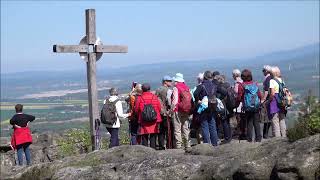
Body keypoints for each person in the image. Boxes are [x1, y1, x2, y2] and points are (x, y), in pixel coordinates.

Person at [193, 71, 219, 146]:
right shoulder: (214, 85)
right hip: (212, 106)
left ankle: (207, 144)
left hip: (204, 107)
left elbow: (195, 94)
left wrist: (198, 100)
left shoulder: (201, 86)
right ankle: (215, 143)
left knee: (205, 126)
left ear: (204, 77)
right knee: (212, 125)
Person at [237, 69, 262, 142]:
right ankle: (258, 138)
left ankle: (249, 139)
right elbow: (259, 95)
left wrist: (238, 103)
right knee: (256, 122)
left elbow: (239, 97)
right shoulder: (255, 84)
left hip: (247, 107)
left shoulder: (241, 85)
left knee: (249, 122)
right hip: (256, 106)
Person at [134, 83, 162, 149]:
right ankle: (153, 149)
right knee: (153, 136)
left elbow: (136, 110)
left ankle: (146, 151)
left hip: (143, 120)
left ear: (142, 90)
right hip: (154, 119)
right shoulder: (154, 97)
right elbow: (159, 108)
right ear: (149, 89)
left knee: (144, 136)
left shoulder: (140, 98)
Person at [171, 73, 192, 149]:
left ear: (176, 80)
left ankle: (179, 146)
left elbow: (175, 101)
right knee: (185, 127)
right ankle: (188, 144)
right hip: (186, 110)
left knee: (177, 129)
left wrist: (171, 110)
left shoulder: (176, 88)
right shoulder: (186, 87)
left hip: (178, 110)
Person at [155, 75, 174, 149]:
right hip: (167, 113)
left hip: (159, 113)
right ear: (165, 82)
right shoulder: (168, 90)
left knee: (161, 131)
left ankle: (161, 146)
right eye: (169, 81)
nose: (171, 82)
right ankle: (169, 146)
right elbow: (169, 102)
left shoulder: (157, 90)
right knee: (169, 131)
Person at [269, 66, 287, 137]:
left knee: (275, 120)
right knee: (282, 119)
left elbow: (272, 93)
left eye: (270, 73)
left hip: (274, 101)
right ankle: (284, 135)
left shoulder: (272, 81)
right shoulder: (281, 80)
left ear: (273, 73)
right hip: (282, 101)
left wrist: (269, 101)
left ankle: (277, 138)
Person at [215, 74, 232, 143]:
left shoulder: (220, 87)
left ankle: (227, 138)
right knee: (227, 122)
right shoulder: (228, 85)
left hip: (223, 107)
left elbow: (220, 96)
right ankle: (229, 137)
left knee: (224, 122)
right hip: (229, 106)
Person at [190, 73, 204, 145]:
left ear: (198, 79)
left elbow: (194, 96)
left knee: (198, 126)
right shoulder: (207, 86)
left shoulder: (197, 88)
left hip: (198, 109)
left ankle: (200, 142)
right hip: (206, 109)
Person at [232, 69, 246, 140]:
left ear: (234, 75)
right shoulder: (243, 81)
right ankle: (245, 133)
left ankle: (242, 134)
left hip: (239, 104)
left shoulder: (237, 83)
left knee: (239, 119)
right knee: (244, 119)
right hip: (244, 103)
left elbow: (236, 93)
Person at [261, 65, 273, 139]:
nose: (262, 72)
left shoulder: (267, 79)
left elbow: (266, 91)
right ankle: (266, 134)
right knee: (269, 117)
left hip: (268, 100)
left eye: (263, 70)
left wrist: (263, 100)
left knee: (267, 117)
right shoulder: (271, 78)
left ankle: (265, 134)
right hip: (271, 99)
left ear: (266, 71)